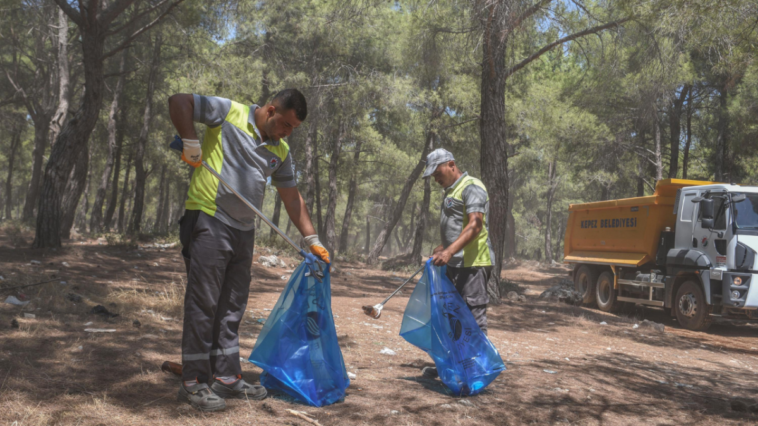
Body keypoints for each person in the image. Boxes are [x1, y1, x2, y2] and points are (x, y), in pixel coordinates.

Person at [168, 89, 330, 411]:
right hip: (209, 218)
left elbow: (292, 198)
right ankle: (195, 382)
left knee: (232, 307)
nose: (287, 132)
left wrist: (313, 239)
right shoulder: (229, 113)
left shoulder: (279, 150)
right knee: (204, 304)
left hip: (244, 231)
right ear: (270, 110)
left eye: (293, 129)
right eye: (285, 124)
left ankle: (226, 378)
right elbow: (178, 101)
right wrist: (189, 140)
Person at [422, 148, 495, 378]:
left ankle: (477, 374)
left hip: (473, 265)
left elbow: (475, 225)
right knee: (453, 319)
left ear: (451, 164)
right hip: (456, 264)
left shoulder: (472, 186)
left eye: (437, 171)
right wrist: (445, 247)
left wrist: (450, 250)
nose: (435, 177)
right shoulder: (451, 191)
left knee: (473, 320)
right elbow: (459, 226)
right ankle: (455, 366)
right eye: (432, 174)